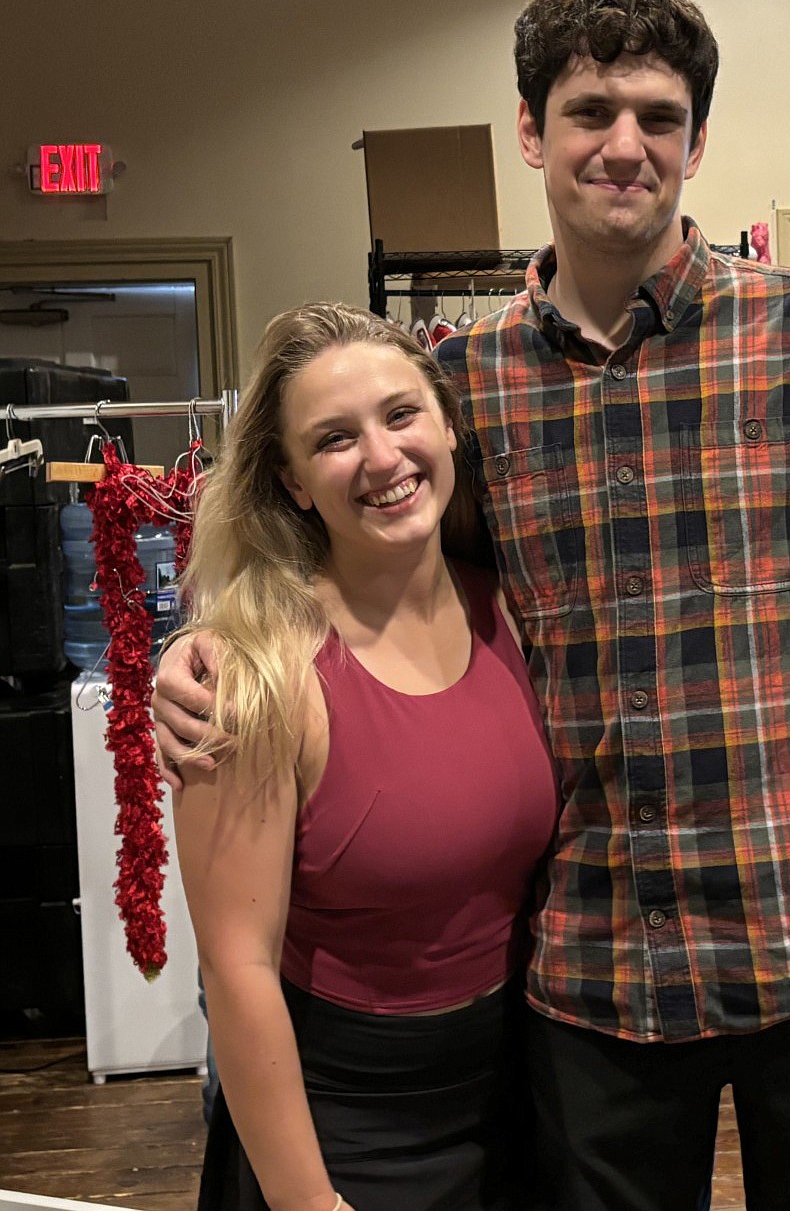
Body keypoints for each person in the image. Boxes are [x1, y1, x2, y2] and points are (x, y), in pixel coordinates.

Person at [155, 0, 790, 1211]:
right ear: (530, 135)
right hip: (593, 987)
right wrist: (214, 639)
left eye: (660, 117)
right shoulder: (461, 387)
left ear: (697, 142)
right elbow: (367, 564)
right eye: (590, 112)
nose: (625, 144)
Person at [167, 303, 559, 1211]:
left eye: (400, 414)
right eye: (334, 439)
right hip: (348, 1127)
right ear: (294, 481)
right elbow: (237, 969)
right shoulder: (254, 675)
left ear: (449, 426)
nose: (382, 459)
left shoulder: (510, 609)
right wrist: (310, 1202)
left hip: (519, 1099)